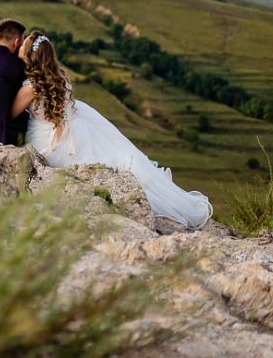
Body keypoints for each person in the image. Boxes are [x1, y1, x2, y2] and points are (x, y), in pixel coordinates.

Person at [11, 30, 212, 229]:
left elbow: (11, 112)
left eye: (23, 46)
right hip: (74, 129)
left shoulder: (31, 86)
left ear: (30, 55)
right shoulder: (60, 77)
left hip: (49, 138)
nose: (19, 47)